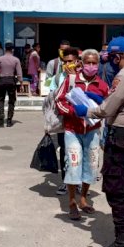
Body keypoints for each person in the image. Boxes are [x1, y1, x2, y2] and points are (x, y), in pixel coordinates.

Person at [72, 37, 124, 247]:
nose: (111, 62)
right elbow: (121, 100)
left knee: (116, 189)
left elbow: (106, 110)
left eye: (112, 57)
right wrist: (100, 97)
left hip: (119, 138)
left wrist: (85, 110)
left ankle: (122, 244)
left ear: (117, 56)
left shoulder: (123, 76)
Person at [55, 49, 109, 220]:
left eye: (94, 63)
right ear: (81, 63)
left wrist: (100, 110)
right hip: (72, 129)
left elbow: (108, 107)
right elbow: (59, 101)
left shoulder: (102, 85)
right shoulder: (71, 80)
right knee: (73, 164)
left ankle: (83, 199)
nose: (91, 66)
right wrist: (73, 111)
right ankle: (72, 202)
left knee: (91, 165)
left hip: (92, 131)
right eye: (88, 62)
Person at [46, 39, 72, 195]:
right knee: (64, 150)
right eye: (63, 51)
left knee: (78, 151)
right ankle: (65, 181)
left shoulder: (81, 73)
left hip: (78, 119)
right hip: (62, 119)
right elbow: (50, 90)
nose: (65, 55)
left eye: (68, 51)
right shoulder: (54, 67)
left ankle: (80, 183)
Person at [0, 43, 22, 128]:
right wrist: (21, 82)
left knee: (1, 98)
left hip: (2, 80)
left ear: (5, 49)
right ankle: (9, 120)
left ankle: (1, 114)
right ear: (12, 49)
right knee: (11, 100)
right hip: (11, 80)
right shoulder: (16, 60)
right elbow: (19, 73)